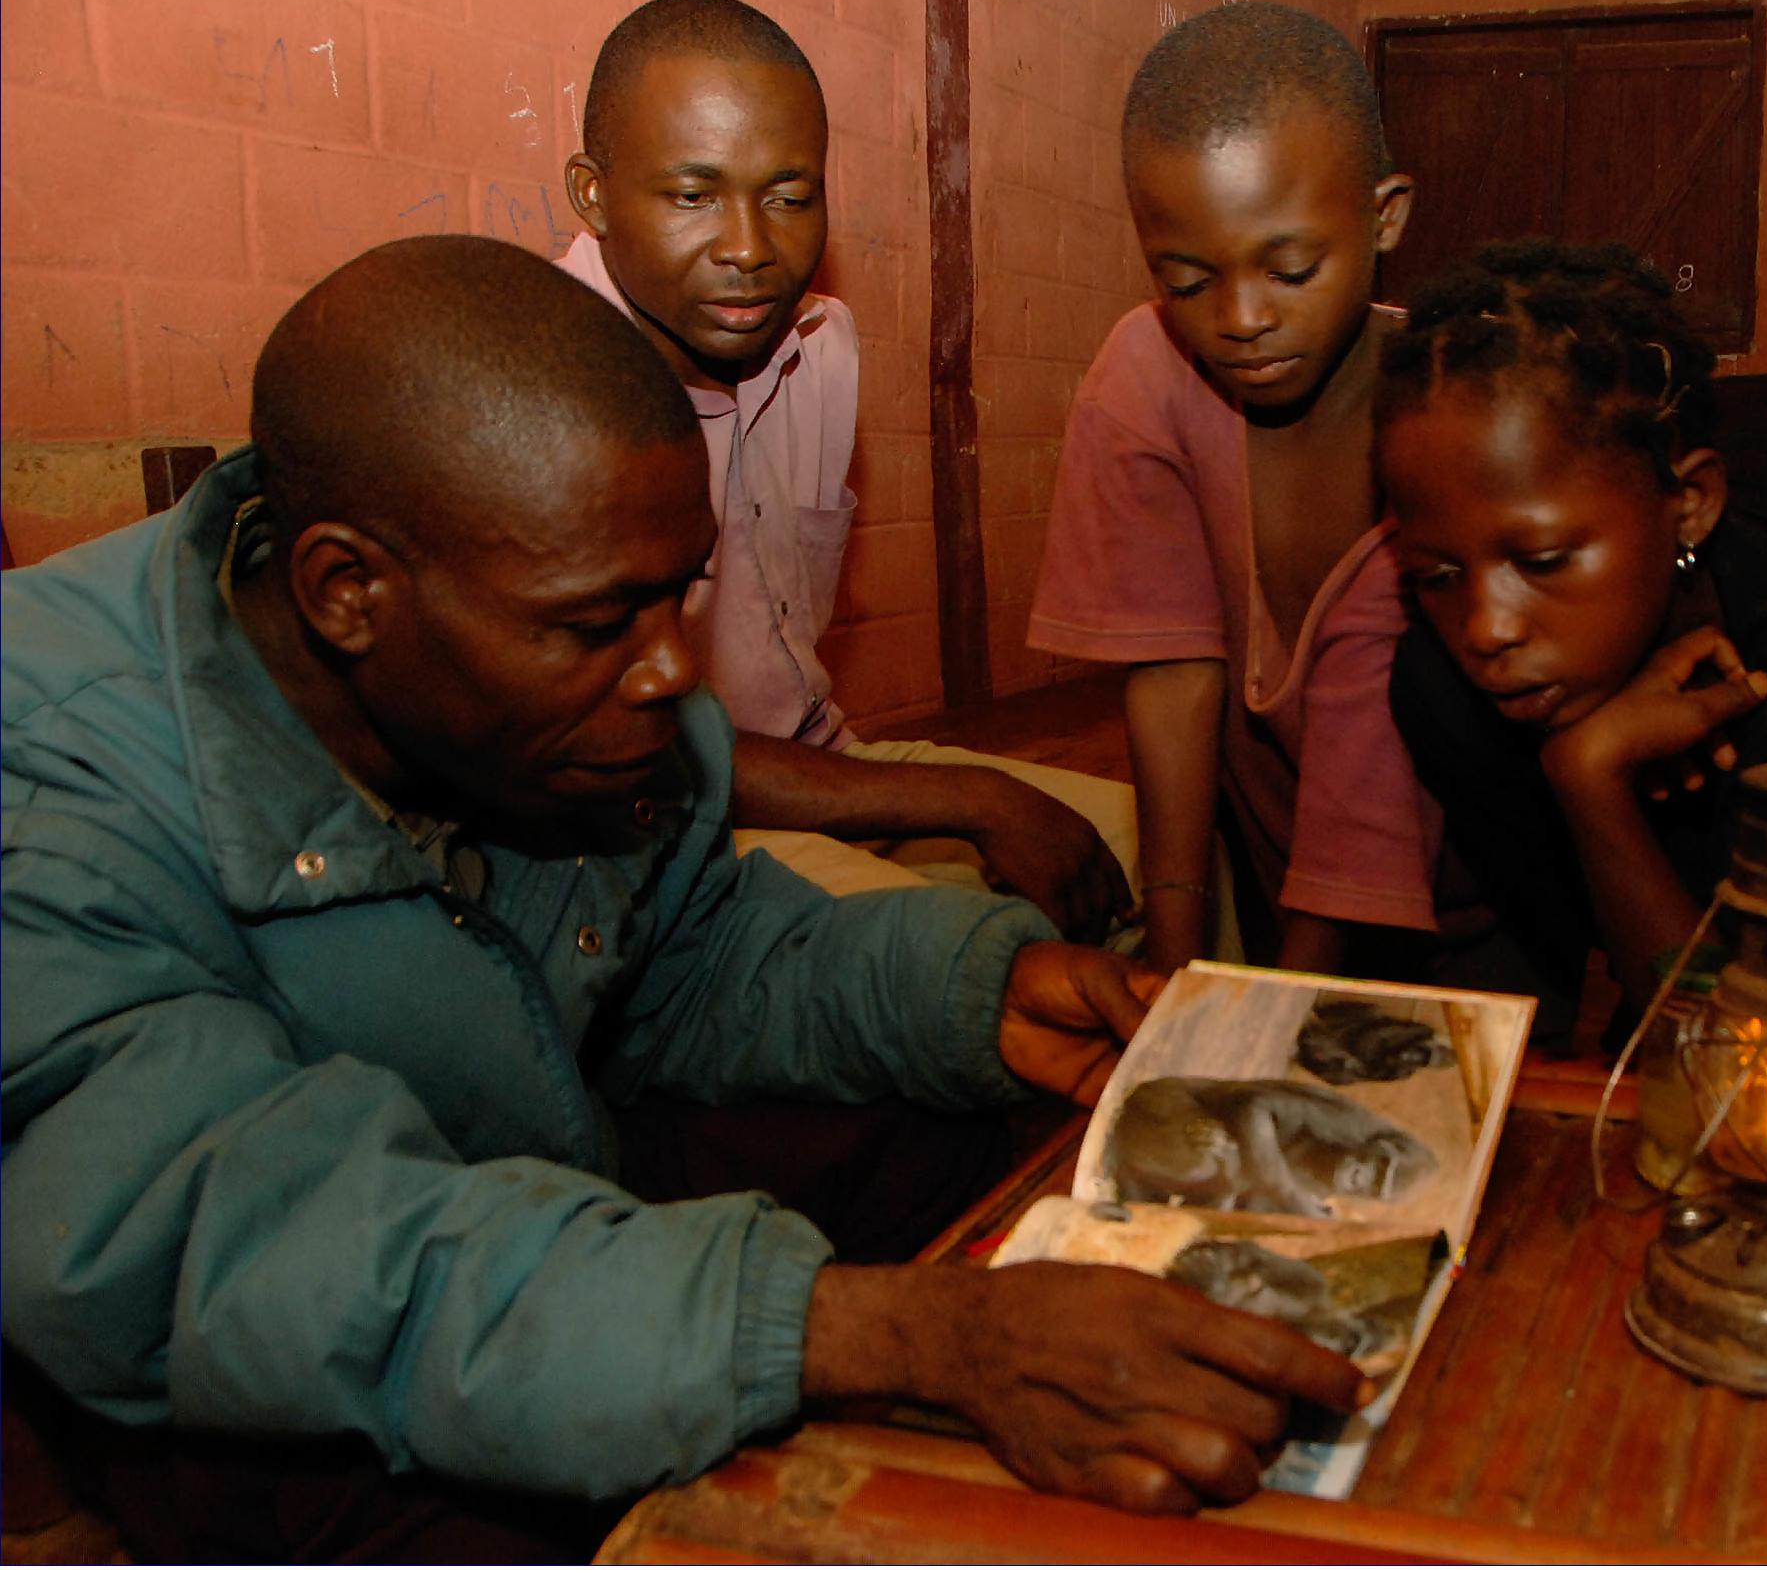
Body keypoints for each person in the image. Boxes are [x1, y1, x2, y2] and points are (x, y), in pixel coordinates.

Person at [0, 237, 1364, 1563]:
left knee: (1003, 1137)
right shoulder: (47, 787)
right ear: (348, 592)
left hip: (539, 1177)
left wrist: (973, 991)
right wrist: (885, 1337)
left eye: (681, 596)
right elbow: (274, 1260)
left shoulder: (528, 682)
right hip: (280, 1358)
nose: (668, 677)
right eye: (599, 625)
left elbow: (691, 952)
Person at [560, 0, 1135, 945]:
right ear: (593, 193)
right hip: (646, 822)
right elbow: (641, 752)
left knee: (1157, 854)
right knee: (975, 949)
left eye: (789, 196)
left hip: (818, 763)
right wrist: (975, 797)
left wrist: (941, 795)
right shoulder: (543, 390)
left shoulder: (820, 345)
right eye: (694, 196)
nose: (750, 248)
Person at [1376, 239, 1767, 1031]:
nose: (1487, 629)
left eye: (1544, 560)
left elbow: (1750, 1052)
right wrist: (1589, 784)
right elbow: (1616, 980)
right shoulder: (1440, 686)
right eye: (1438, 575)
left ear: (1688, 505)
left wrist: (1590, 782)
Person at [1026, 2, 1442, 976]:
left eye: (1291, 268)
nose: (1243, 317)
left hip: (1474, 886)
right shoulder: (1146, 376)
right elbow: (1174, 673)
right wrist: (1178, 957)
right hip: (1276, 872)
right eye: (1186, 279)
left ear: (1386, 217)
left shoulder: (1457, 404)